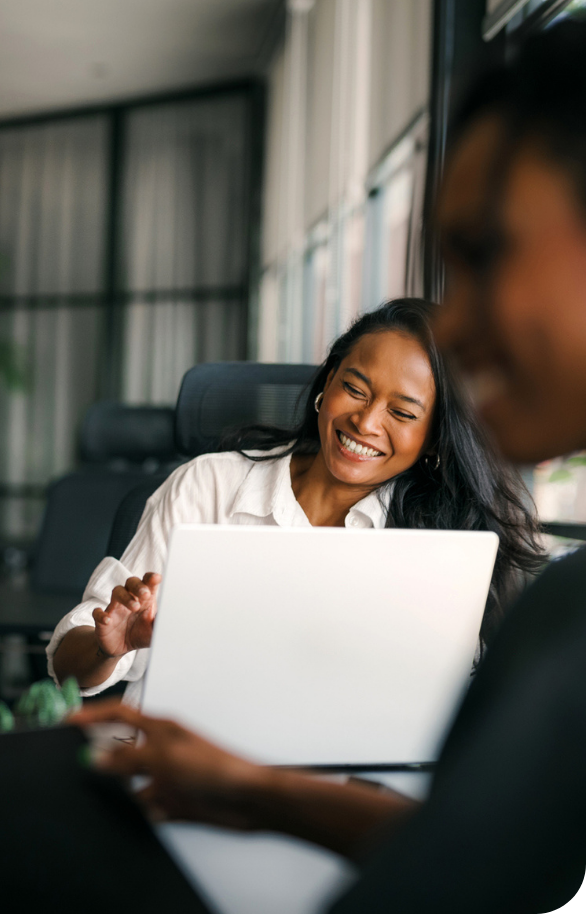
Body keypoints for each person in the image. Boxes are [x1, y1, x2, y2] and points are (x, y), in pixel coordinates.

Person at [72, 17, 586, 912]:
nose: (457, 333)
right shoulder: (565, 618)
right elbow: (493, 857)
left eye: (482, 253)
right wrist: (253, 792)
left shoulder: (525, 602)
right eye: (358, 386)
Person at [49, 298, 542, 701]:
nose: (367, 423)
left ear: (434, 438)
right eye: (355, 388)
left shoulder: (441, 541)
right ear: (327, 386)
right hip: (178, 768)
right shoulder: (207, 486)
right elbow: (69, 665)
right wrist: (109, 647)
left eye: (403, 413)